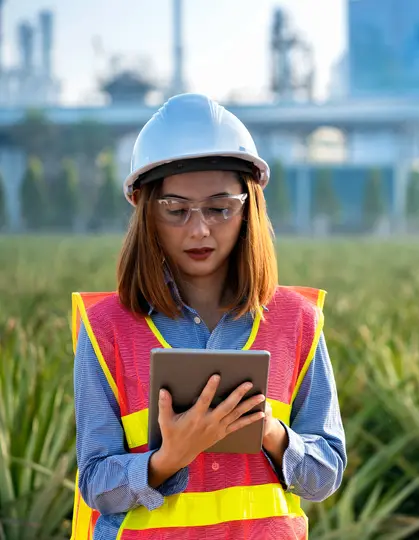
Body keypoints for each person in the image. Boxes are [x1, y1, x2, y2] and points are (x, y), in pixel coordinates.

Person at [71, 93, 347, 540]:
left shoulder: (296, 321)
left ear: (249, 207)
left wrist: (272, 434)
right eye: (176, 210)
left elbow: (326, 473)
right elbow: (94, 483)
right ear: (145, 212)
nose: (199, 229)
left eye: (220, 208)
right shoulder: (107, 330)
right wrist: (166, 460)